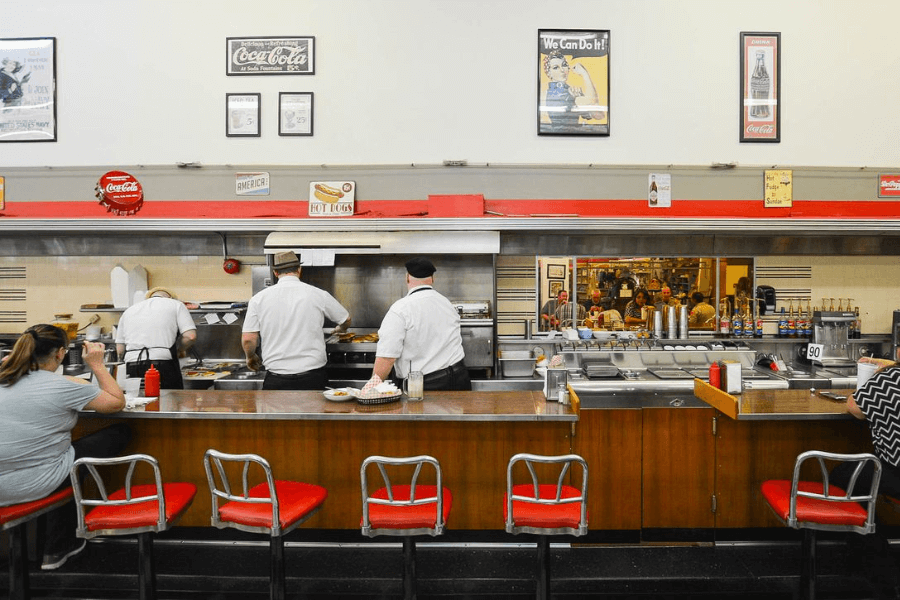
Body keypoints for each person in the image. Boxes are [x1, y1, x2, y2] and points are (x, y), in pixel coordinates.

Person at [0, 324, 130, 570]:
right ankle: (58, 545)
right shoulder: (63, 386)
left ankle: (55, 545)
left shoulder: (5, 377)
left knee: (60, 454)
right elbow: (116, 403)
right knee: (118, 434)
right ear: (60, 354)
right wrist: (97, 365)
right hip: (31, 484)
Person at [242, 251, 351, 390]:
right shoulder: (317, 294)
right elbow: (346, 319)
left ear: (275, 273)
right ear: (299, 270)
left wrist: (250, 357)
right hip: (313, 378)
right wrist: (341, 329)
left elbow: (248, 339)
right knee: (315, 412)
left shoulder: (258, 299)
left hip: (276, 380)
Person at [368, 257, 470, 391]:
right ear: (432, 279)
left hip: (424, 387)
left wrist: (370, 389)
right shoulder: (447, 304)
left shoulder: (400, 309)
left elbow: (387, 357)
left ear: (407, 278)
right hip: (459, 380)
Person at [116, 287, 197, 389]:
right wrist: (179, 349)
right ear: (170, 297)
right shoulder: (176, 305)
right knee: (168, 402)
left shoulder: (129, 311)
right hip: (163, 365)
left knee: (139, 402)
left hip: (132, 365)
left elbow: (120, 350)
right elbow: (190, 336)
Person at [541, 49, 605, 131]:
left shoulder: (572, 91)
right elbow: (593, 101)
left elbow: (599, 115)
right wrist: (585, 74)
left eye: (564, 65)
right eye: (556, 67)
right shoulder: (557, 93)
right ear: (549, 73)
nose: (562, 70)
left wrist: (580, 100)